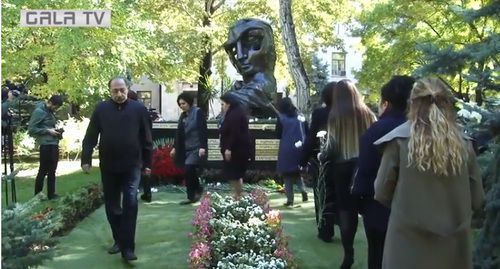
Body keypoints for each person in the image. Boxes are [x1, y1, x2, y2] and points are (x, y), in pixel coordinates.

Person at [373, 77, 485, 269]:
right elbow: (477, 199)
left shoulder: (399, 141)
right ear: (447, 104)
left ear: (412, 103)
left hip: (407, 244)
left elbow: (382, 191)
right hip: (453, 247)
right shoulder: (464, 144)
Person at [81, 77, 152, 261]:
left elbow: (147, 139)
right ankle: (119, 240)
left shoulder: (139, 109)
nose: (119, 94)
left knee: (131, 203)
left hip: (132, 166)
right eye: (115, 91)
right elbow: (90, 136)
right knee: (112, 206)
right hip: (109, 165)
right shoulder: (101, 109)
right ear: (109, 91)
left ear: (127, 89)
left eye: (122, 90)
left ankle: (128, 248)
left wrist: (148, 163)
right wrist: (86, 159)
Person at [351, 75, 415, 269]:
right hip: (417, 209)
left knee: (378, 256)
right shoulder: (427, 130)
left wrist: (360, 202)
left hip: (378, 208)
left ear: (385, 103)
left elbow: (365, 170)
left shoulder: (375, 131)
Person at [318, 79, 376, 268]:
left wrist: (321, 155)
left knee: (346, 211)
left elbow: (332, 147)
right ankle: (373, 252)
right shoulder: (368, 114)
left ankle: (348, 253)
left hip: (342, 168)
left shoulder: (335, 116)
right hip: (365, 166)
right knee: (368, 209)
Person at [300, 82, 337, 234]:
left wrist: (302, 160)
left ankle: (324, 227)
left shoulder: (320, 114)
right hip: (345, 159)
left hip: (322, 159)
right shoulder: (349, 113)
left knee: (321, 192)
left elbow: (310, 138)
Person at [170, 92, 208, 205]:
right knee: (187, 171)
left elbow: (203, 130)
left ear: (189, 102)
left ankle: (197, 189)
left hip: (197, 148)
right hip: (185, 148)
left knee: (189, 167)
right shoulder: (183, 116)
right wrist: (174, 148)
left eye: (184, 103)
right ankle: (191, 196)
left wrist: (203, 147)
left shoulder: (198, 112)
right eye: (180, 104)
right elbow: (179, 134)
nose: (182, 106)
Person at [28, 95, 64, 200]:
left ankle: (51, 194)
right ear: (50, 102)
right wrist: (48, 131)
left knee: (52, 170)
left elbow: (48, 125)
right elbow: (31, 129)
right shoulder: (39, 111)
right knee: (43, 170)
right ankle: (37, 195)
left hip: (53, 143)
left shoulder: (50, 112)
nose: (56, 109)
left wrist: (56, 131)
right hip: (45, 144)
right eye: (55, 107)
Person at [276, 97, 308, 207]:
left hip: (286, 148)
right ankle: (303, 189)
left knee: (287, 175)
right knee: (297, 172)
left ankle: (290, 199)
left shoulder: (281, 118)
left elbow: (278, 134)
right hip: (300, 147)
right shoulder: (301, 116)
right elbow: (307, 131)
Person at [219, 93, 253, 199]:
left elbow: (235, 133)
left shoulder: (235, 114)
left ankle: (238, 194)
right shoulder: (233, 113)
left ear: (229, 104)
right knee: (235, 174)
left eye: (223, 104)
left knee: (234, 174)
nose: (222, 106)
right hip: (236, 148)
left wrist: (229, 148)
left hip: (236, 150)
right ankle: (238, 194)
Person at [127, 90, 153, 203]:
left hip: (136, 145)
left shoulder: (133, 111)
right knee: (144, 169)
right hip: (143, 143)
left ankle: (136, 191)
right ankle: (147, 193)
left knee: (137, 169)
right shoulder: (142, 110)